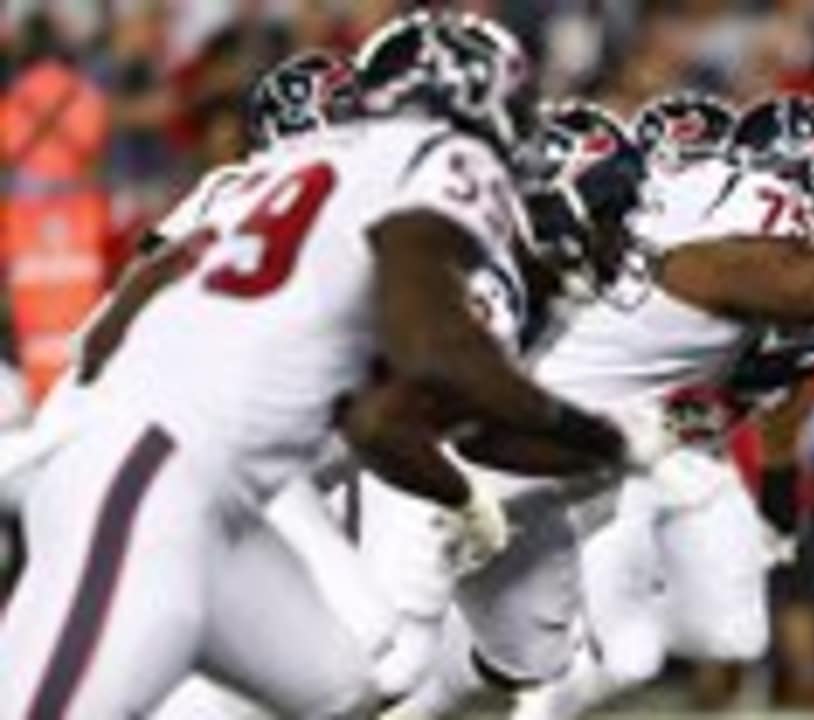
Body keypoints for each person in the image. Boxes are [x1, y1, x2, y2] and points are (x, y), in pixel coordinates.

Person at [0, 11, 627, 717]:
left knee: (345, 680)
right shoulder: (427, 182)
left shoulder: (273, 181)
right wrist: (604, 442)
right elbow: (437, 370)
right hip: (155, 461)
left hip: (194, 464)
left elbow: (113, 324)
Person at [394, 86, 814, 720]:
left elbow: (753, 379)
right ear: (801, 176)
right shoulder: (745, 222)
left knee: (519, 660)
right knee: (378, 655)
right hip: (503, 448)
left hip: (559, 462)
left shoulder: (688, 208)